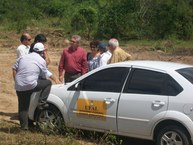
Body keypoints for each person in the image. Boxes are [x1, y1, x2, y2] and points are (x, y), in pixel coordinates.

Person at [12, 42, 59, 130]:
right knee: (48, 83)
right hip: (31, 84)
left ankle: (24, 128)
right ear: (42, 52)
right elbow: (45, 75)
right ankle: (42, 103)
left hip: (19, 86)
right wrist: (55, 79)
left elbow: (14, 68)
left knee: (23, 107)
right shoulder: (41, 60)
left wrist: (17, 81)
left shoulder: (23, 57)